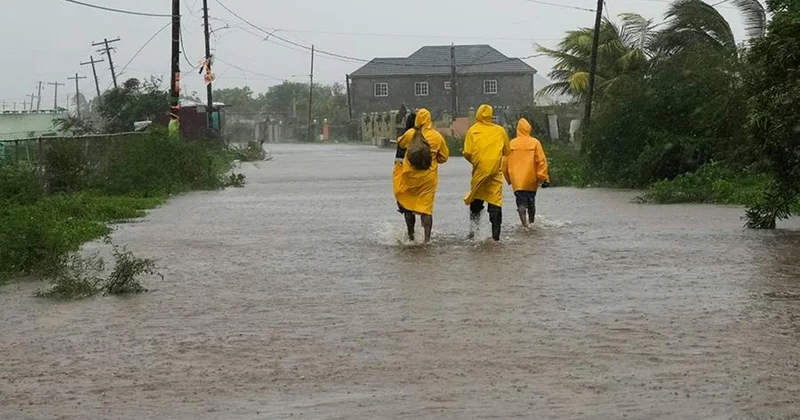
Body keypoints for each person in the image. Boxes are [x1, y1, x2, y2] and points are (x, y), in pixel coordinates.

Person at [394, 108, 450, 243]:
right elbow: (444, 157)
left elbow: (401, 143)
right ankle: (427, 240)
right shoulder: (437, 136)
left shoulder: (411, 134)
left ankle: (411, 237)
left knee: (408, 206)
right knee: (426, 209)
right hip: (428, 179)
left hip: (410, 177)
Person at [463, 104, 511, 241]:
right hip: (495, 172)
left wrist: (477, 162)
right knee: (495, 201)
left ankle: (473, 233)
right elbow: (507, 151)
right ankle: (496, 237)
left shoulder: (472, 131)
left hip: (479, 171)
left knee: (476, 200)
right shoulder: (500, 131)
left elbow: (467, 153)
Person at [502, 118, 550, 228]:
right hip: (531, 179)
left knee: (521, 202)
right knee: (531, 201)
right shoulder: (535, 142)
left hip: (517, 180)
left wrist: (509, 179)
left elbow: (504, 164)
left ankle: (524, 225)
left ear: (517, 129)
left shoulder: (511, 144)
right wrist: (542, 177)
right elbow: (541, 161)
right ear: (529, 129)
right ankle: (532, 222)